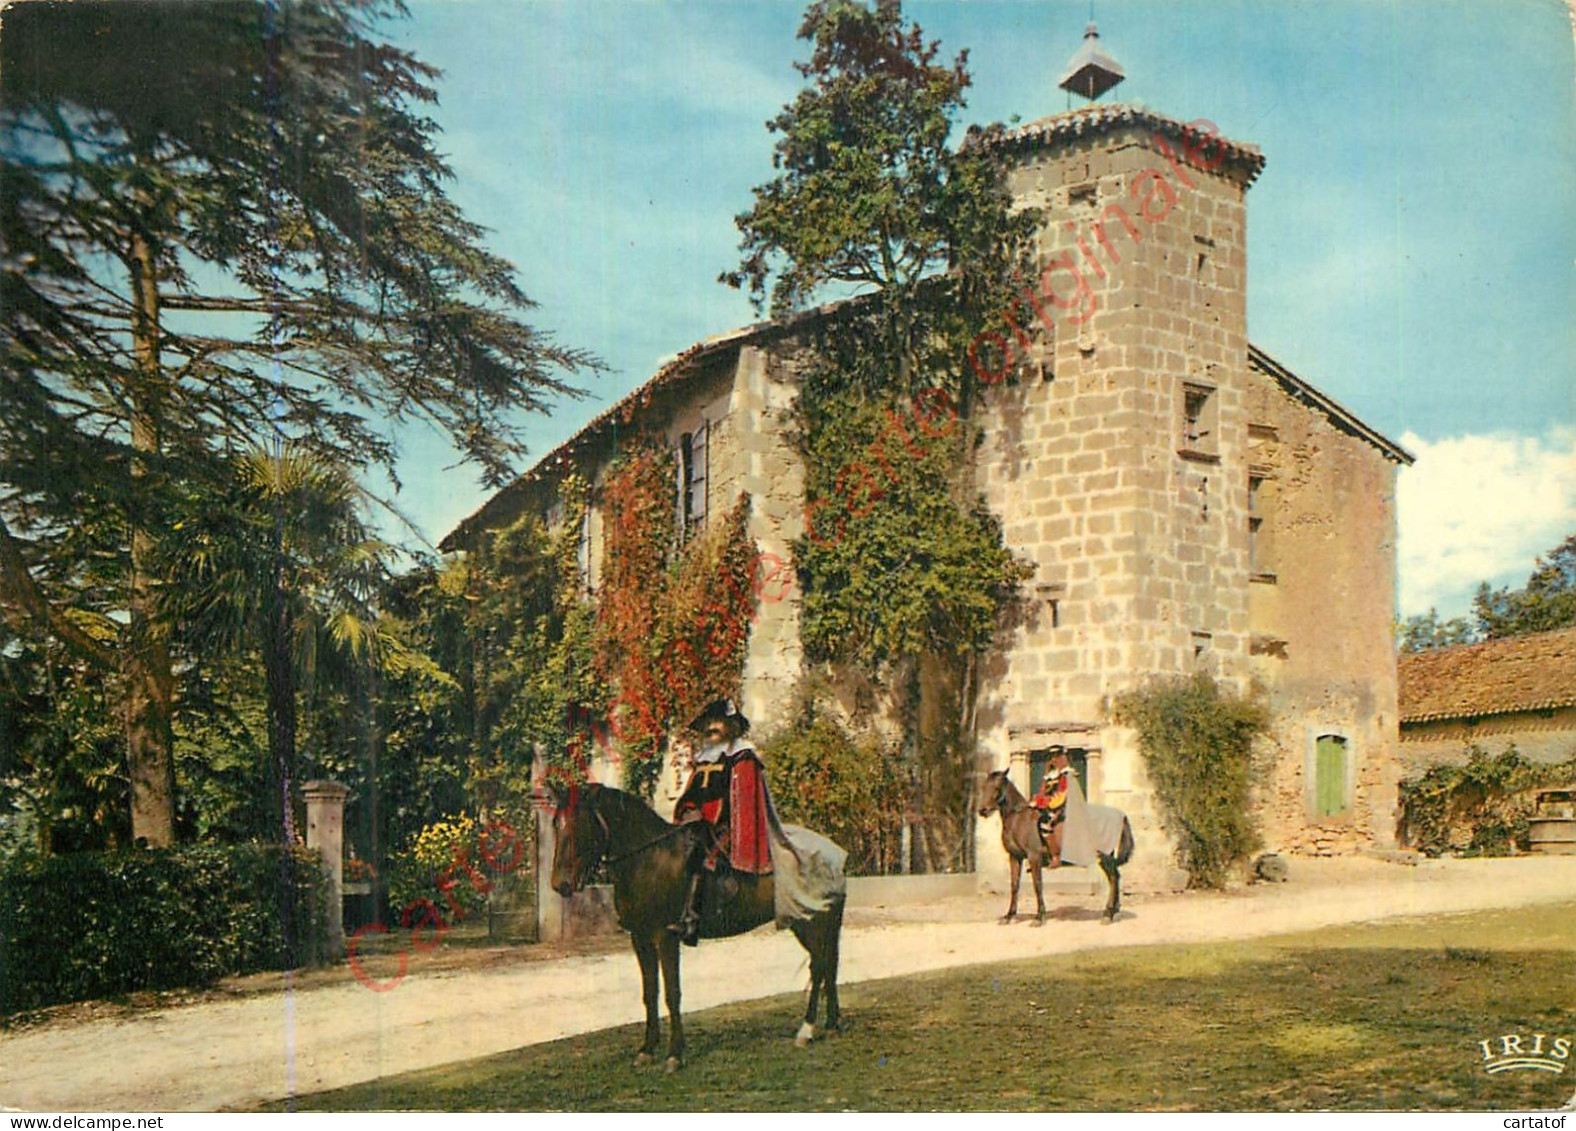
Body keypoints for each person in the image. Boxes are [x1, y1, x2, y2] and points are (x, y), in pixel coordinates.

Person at [668, 697, 773, 946]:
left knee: (698, 853)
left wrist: (709, 820)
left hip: (727, 827)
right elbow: (691, 795)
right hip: (699, 823)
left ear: (733, 727)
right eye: (708, 724)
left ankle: (691, 920)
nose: (711, 728)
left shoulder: (741, 758)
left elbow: (743, 800)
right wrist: (690, 810)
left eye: (718, 723)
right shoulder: (704, 760)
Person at [1030, 749, 1074, 867]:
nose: (1054, 760)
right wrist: (1036, 801)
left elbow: (1063, 794)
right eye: (1052, 757)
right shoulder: (1049, 776)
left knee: (1046, 825)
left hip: (1063, 807)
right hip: (1049, 805)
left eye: (1057, 756)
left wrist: (1048, 803)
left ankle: (1056, 857)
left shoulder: (1066, 774)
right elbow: (1042, 792)